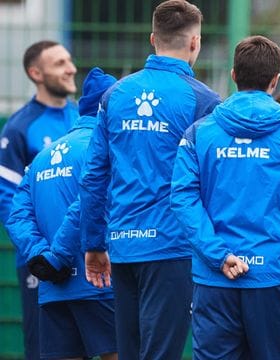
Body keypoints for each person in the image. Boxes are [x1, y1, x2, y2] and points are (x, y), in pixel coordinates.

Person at [170, 35, 280, 359]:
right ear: (275, 80)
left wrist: (218, 254)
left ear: (233, 75)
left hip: (215, 277)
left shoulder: (199, 132)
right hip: (273, 274)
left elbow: (183, 199)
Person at [78, 1, 222, 359]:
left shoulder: (115, 95)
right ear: (195, 43)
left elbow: (94, 174)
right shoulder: (204, 99)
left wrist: (94, 243)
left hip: (123, 245)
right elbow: (214, 180)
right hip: (172, 246)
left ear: (152, 38)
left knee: (130, 352)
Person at [6, 67, 118, 360]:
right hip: (99, 282)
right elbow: (89, 200)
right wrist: (57, 255)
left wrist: (43, 257)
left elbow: (16, 216)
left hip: (54, 289)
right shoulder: (106, 148)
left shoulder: (42, 157)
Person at [0, 39, 78, 360]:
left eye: (69, 60)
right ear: (36, 73)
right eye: (59, 63)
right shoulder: (20, 128)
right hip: (42, 262)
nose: (71, 68)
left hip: (87, 259)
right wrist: (41, 254)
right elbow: (8, 201)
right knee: (46, 350)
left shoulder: (83, 120)